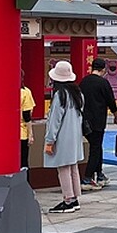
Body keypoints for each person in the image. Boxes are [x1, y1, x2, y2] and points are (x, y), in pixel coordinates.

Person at [43, 60, 84, 213]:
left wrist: (49, 141)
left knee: (63, 168)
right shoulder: (78, 94)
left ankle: (68, 199)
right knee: (73, 167)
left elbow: (55, 120)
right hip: (75, 137)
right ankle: (75, 198)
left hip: (62, 137)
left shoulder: (60, 95)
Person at [79, 58, 117, 189]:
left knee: (96, 146)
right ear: (103, 69)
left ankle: (100, 174)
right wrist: (115, 115)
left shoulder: (84, 82)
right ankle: (87, 177)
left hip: (84, 121)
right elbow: (111, 101)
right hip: (98, 120)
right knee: (95, 148)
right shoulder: (103, 83)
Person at [20, 72, 36, 170]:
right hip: (21, 132)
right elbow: (27, 115)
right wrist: (31, 134)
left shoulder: (3, 91)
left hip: (6, 134)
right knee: (23, 162)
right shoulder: (25, 92)